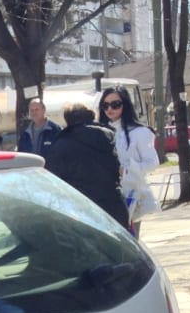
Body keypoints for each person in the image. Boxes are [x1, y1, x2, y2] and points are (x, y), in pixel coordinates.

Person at [43, 103, 130, 230]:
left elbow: (53, 179)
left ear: (68, 120)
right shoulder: (108, 135)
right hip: (113, 203)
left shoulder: (60, 144)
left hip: (83, 209)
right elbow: (118, 166)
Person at [98, 85, 159, 237]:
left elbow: (152, 162)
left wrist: (126, 169)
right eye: (105, 105)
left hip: (130, 194)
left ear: (125, 104)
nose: (110, 109)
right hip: (106, 193)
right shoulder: (100, 131)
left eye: (115, 104)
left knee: (130, 241)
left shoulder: (140, 132)